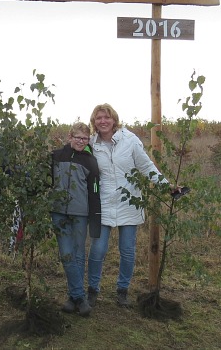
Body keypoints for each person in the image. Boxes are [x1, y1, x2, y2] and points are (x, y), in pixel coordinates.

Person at [86, 103, 164, 308]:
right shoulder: (92, 143)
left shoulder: (130, 140)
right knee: (98, 249)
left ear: (114, 120)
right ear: (94, 122)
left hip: (129, 202)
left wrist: (166, 185)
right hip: (102, 203)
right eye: (98, 118)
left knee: (127, 250)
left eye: (106, 117)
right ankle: (92, 290)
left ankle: (122, 290)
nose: (103, 121)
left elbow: (146, 167)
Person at [51, 122, 101, 317]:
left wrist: (95, 216)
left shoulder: (90, 161)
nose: (81, 141)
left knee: (79, 255)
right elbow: (46, 180)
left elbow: (95, 190)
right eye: (78, 137)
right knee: (66, 254)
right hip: (58, 212)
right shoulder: (56, 156)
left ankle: (73, 299)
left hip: (80, 213)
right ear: (69, 137)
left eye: (85, 139)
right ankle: (80, 297)